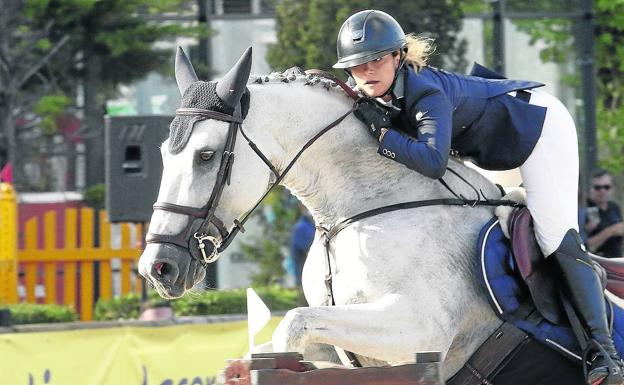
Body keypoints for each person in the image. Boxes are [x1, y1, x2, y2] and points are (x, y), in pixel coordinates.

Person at [334, 9, 622, 385]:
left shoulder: (426, 94)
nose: (367, 72)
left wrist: (386, 138)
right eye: (357, 66)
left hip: (537, 131)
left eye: (375, 60)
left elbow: (433, 163)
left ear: (397, 57)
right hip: (493, 145)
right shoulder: (377, 91)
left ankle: (605, 353)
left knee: (554, 239)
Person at [586, 169, 624, 258]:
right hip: (596, 264)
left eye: (606, 187)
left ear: (612, 188)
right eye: (597, 187)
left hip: (616, 261)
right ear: (590, 189)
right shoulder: (584, 209)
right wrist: (610, 231)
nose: (602, 191)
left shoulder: (614, 207)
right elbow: (585, 246)